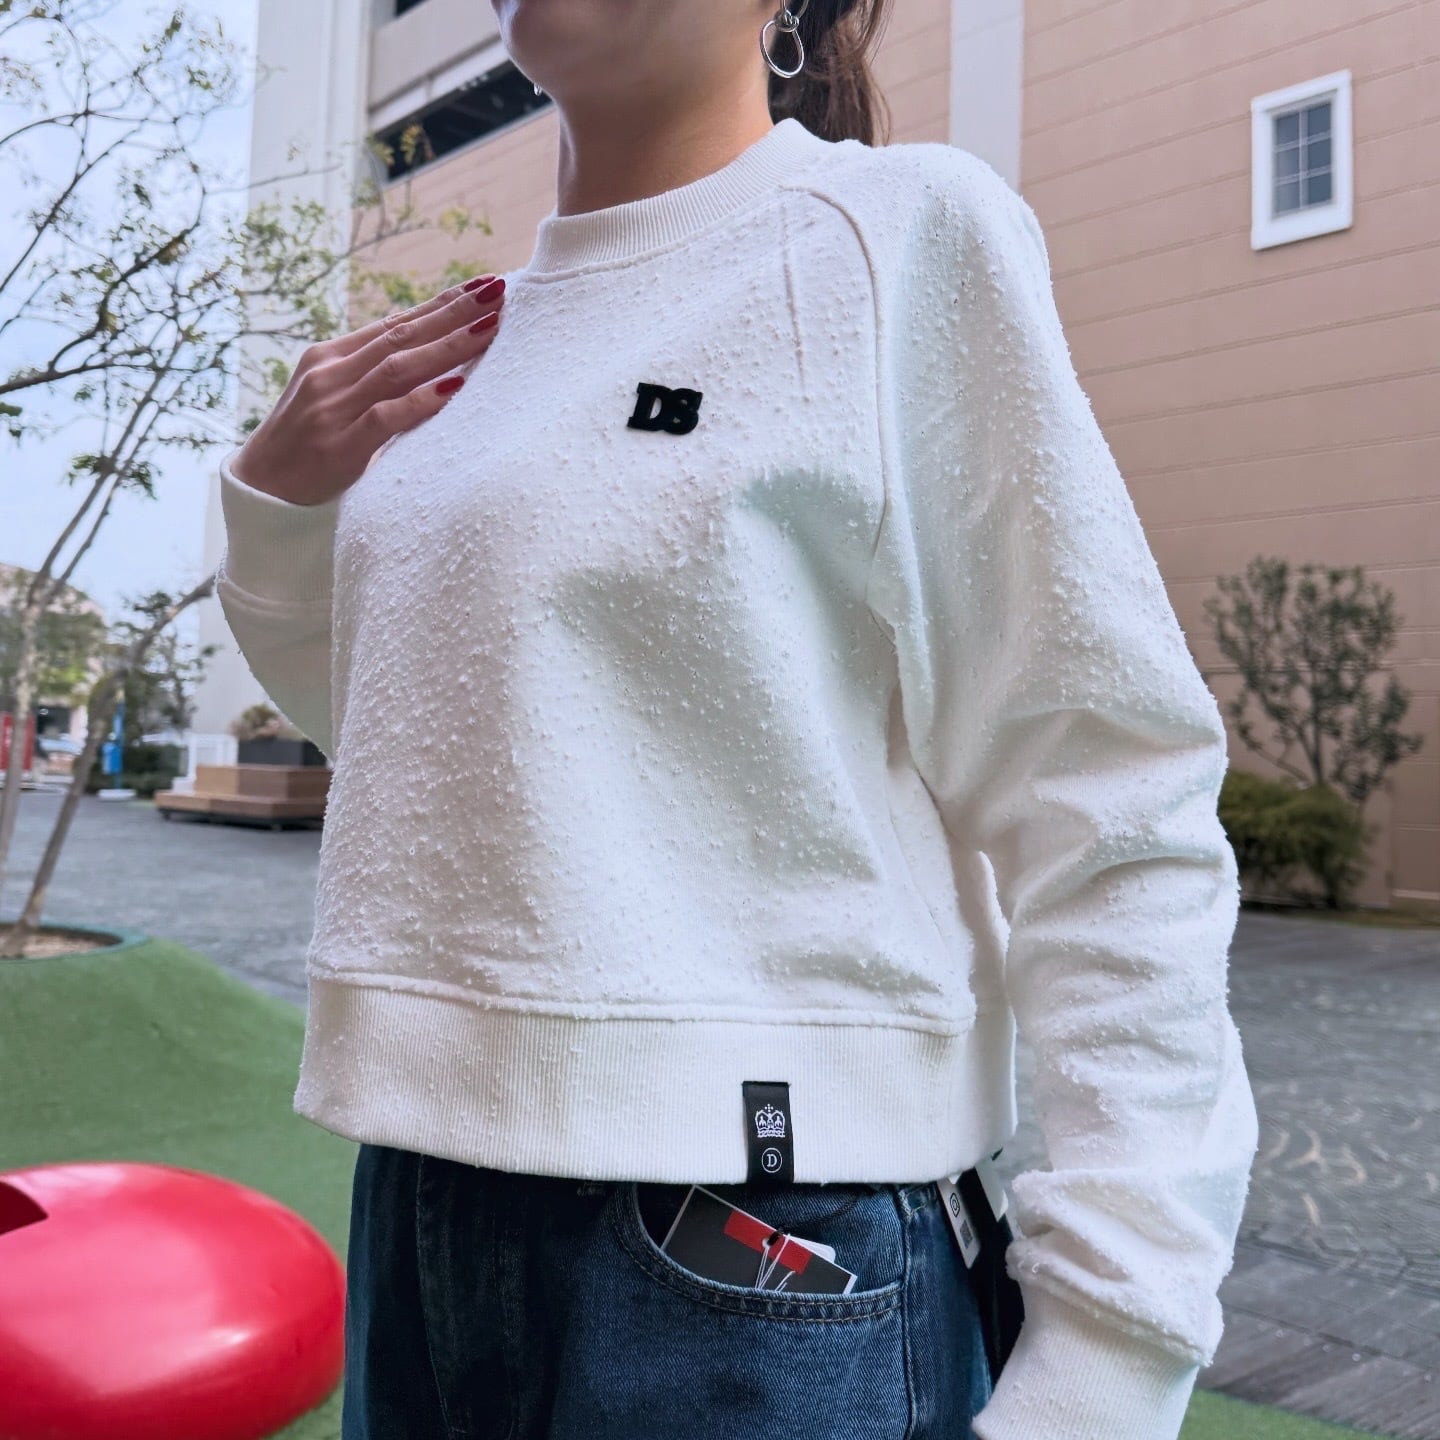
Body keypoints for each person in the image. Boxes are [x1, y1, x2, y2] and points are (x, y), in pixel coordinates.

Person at [215, 1, 1260, 1436]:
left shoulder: (890, 236)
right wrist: (281, 514)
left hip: (765, 1238)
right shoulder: (469, 348)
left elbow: (1108, 793)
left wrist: (1112, 1358)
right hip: (422, 1193)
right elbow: (437, 746)